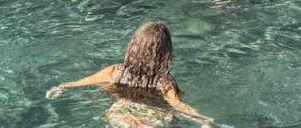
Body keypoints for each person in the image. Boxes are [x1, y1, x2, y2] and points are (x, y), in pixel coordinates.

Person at [46, 23, 211, 125]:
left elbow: (82, 82)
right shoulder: (164, 82)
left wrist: (61, 87)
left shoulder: (115, 72)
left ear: (133, 46)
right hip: (151, 118)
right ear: (165, 53)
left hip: (120, 113)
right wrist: (203, 120)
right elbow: (178, 106)